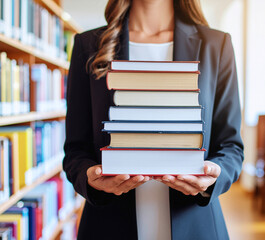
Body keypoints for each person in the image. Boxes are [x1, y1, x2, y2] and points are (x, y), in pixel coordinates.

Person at [63, 0, 244, 239]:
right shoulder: (88, 45)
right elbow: (76, 149)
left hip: (195, 225)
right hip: (109, 224)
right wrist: (91, 179)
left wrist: (214, 174)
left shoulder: (216, 45)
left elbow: (231, 146)